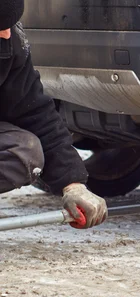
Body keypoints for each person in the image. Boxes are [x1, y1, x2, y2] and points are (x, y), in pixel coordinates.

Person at [0, 0, 107, 229]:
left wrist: (73, 184)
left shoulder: (8, 42)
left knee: (24, 151)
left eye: (9, 25)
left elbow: (35, 113)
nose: (7, 34)